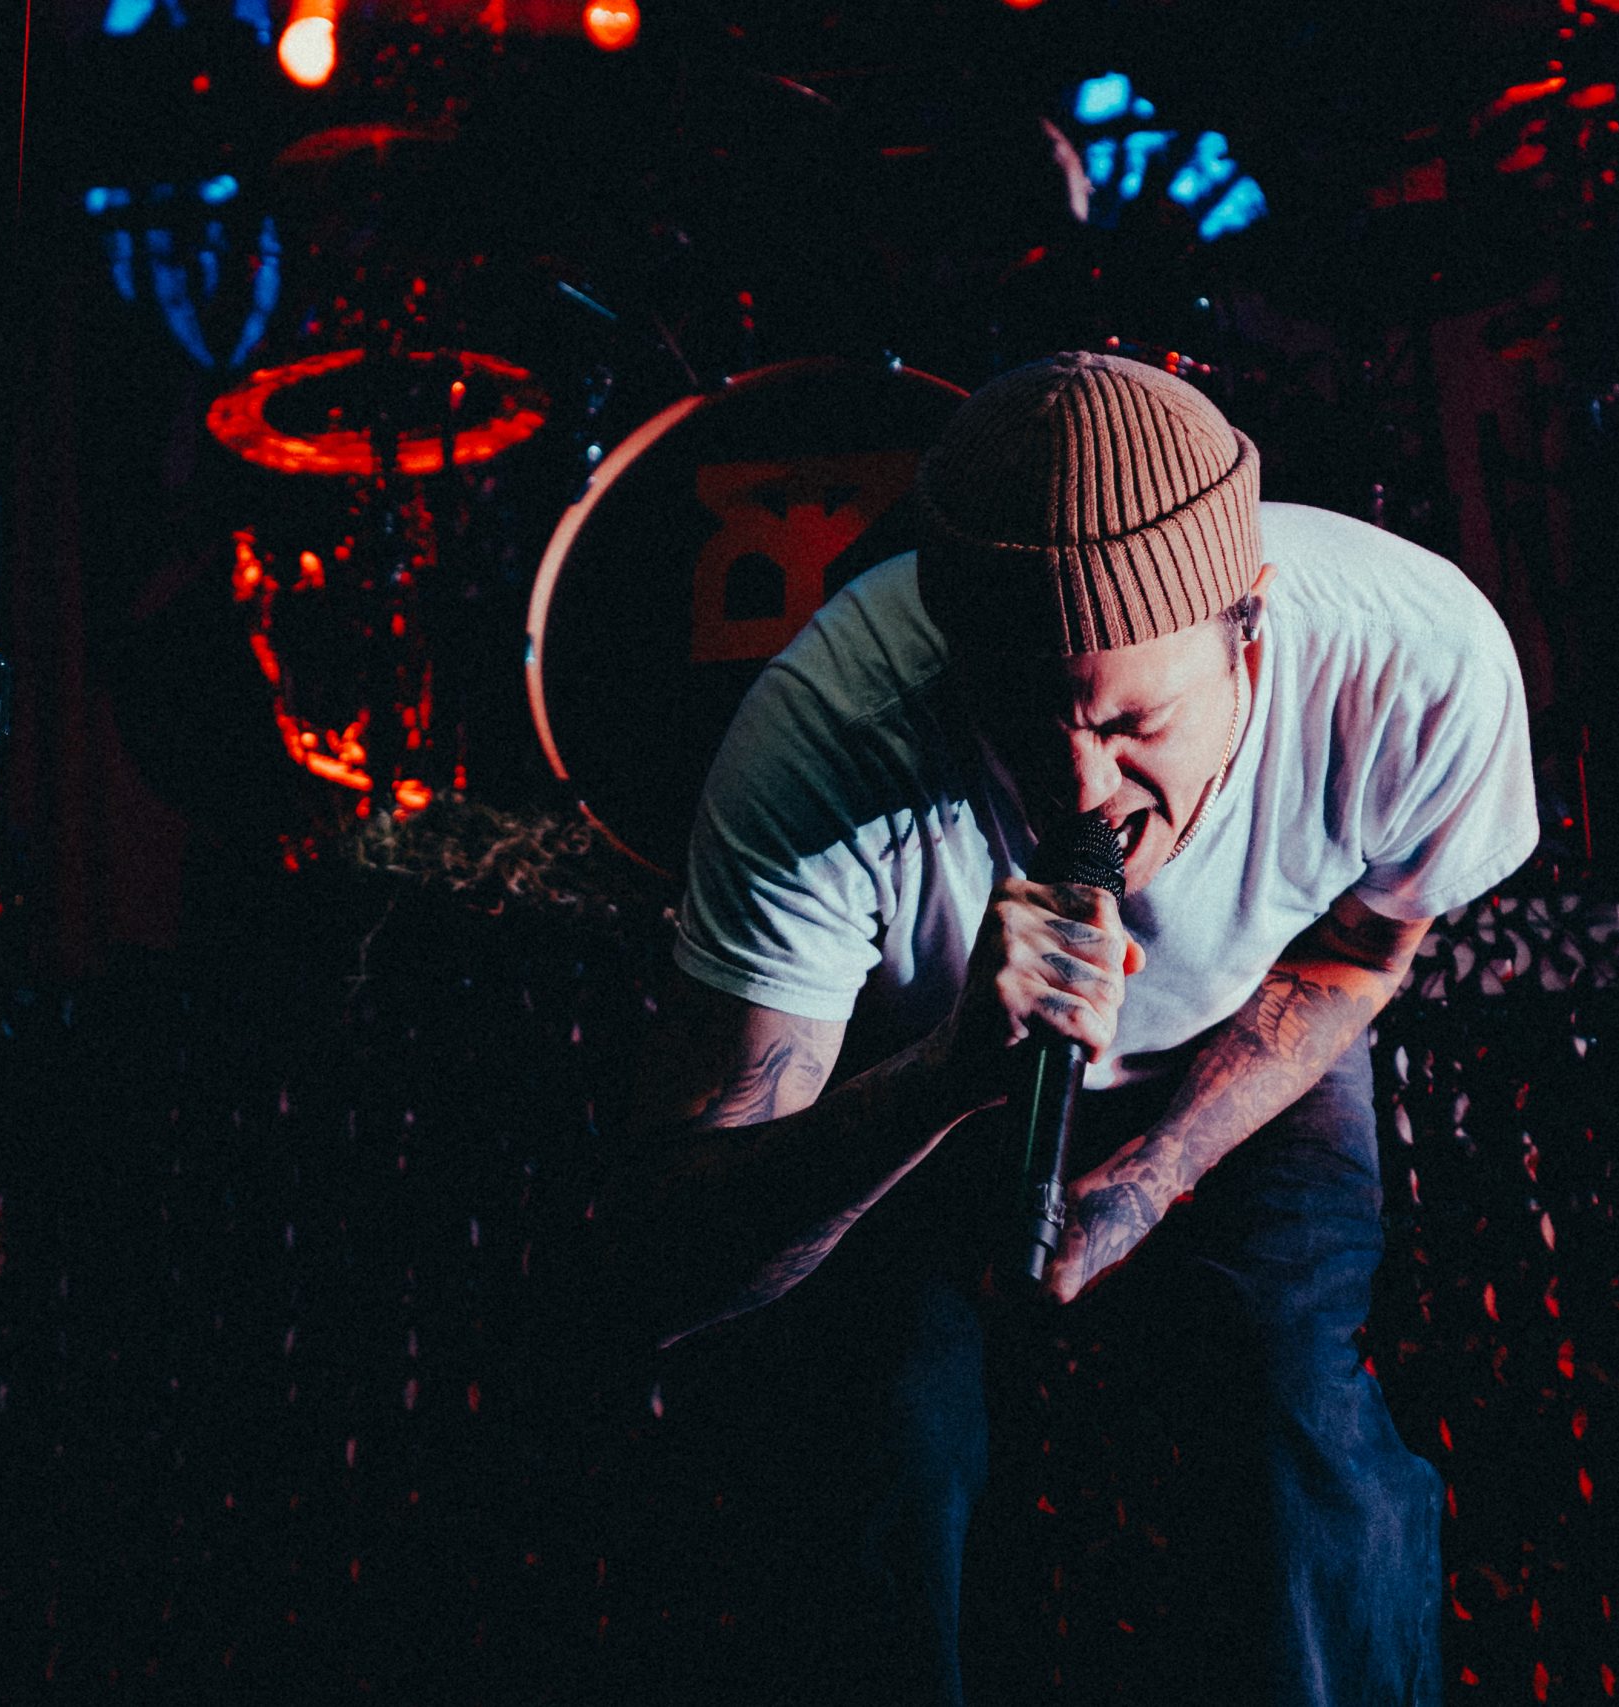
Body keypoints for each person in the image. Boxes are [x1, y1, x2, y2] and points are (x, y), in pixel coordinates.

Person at [629, 351, 1537, 1704]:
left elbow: (1358, 949)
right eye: (1023, 712)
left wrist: (1156, 1177)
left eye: (1134, 723)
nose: (1078, 788)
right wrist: (947, 1078)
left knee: (1295, 1414)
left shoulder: (1413, 663)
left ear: (1250, 628)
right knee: (881, 1449)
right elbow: (670, 1259)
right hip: (911, 1058)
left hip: (1236, 1023)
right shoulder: (827, 740)